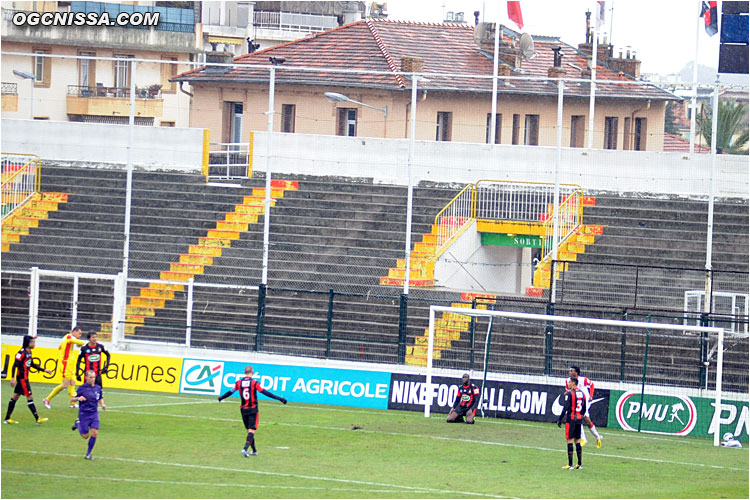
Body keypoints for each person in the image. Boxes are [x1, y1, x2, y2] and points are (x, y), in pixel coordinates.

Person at [217, 365, 287, 457]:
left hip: (243, 410)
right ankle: (245, 449)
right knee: (252, 430)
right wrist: (279, 398)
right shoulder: (254, 383)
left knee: (249, 430)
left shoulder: (239, 383)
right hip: (253, 409)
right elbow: (265, 392)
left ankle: (254, 450)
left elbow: (230, 392)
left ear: (244, 373)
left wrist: (221, 397)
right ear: (252, 372)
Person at [4, 335, 53, 425]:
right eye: (32, 342)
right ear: (28, 343)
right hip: (23, 380)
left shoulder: (29, 352)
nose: (34, 344)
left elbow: (32, 364)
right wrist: (12, 378)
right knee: (30, 397)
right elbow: (15, 365)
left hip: (24, 379)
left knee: (14, 397)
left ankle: (7, 419)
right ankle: (37, 419)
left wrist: (44, 370)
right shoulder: (21, 353)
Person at [44, 325, 86, 409]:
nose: (80, 335)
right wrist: (78, 342)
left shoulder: (68, 338)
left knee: (73, 383)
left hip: (70, 364)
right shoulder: (69, 337)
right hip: (66, 364)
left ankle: (72, 403)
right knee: (64, 385)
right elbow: (81, 343)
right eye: (79, 333)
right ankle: (47, 399)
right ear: (74, 331)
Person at [71, 369, 106, 460]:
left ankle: (88, 454)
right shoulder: (81, 388)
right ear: (86, 377)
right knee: (85, 436)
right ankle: (78, 423)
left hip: (94, 414)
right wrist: (78, 398)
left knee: (94, 433)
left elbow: (100, 397)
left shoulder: (98, 388)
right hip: (84, 414)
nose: (92, 379)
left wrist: (102, 404)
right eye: (90, 377)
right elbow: (72, 398)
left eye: (94, 377)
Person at [568, 366, 602, 448]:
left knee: (579, 417)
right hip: (577, 401)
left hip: (585, 401)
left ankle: (584, 439)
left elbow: (592, 385)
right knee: (586, 420)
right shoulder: (568, 381)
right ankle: (598, 437)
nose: (569, 372)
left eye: (571, 371)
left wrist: (591, 395)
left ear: (576, 372)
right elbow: (568, 390)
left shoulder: (583, 380)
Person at [558, 376, 587, 470]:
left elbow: (566, 407)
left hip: (571, 419)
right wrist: (580, 416)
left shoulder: (570, 394)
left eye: (569, 382)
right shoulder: (582, 393)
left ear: (573, 383)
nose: (568, 384)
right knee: (577, 440)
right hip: (579, 419)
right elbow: (584, 408)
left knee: (569, 440)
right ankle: (579, 464)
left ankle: (570, 465)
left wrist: (560, 418)